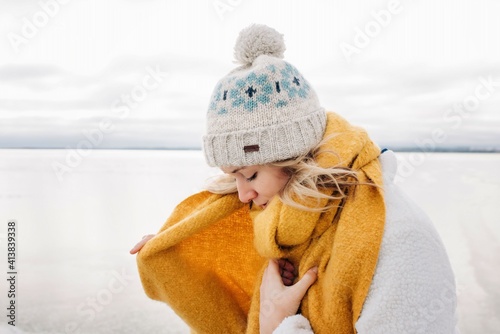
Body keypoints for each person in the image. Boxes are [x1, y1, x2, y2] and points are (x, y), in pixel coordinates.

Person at [130, 24, 458, 333]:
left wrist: (277, 323)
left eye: (251, 174)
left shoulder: (397, 239)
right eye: (234, 178)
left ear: (293, 159)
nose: (243, 195)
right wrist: (178, 250)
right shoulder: (287, 223)